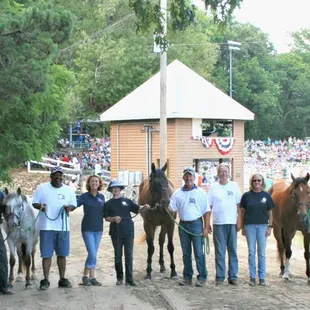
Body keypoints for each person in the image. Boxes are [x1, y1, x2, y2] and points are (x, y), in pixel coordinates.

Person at [32, 166, 77, 290]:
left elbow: (74, 205)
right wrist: (40, 206)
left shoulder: (68, 190)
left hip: (63, 227)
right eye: (55, 175)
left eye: (60, 175)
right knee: (46, 255)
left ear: (63, 177)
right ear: (51, 176)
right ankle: (45, 279)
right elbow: (34, 202)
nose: (58, 177)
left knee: (62, 254)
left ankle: (62, 279)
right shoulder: (42, 188)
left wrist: (69, 208)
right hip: (46, 226)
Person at [169, 167, 211, 287]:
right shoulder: (177, 193)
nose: (188, 178)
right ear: (183, 177)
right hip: (183, 225)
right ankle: (187, 276)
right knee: (186, 253)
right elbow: (172, 208)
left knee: (198, 252)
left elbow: (207, 211)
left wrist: (206, 227)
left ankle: (202, 276)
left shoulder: (201, 193)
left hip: (196, 224)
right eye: (186, 176)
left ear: (194, 178)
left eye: (190, 176)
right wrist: (165, 205)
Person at [104, 180, 149, 287]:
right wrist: (114, 219)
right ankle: (119, 277)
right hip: (116, 232)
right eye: (113, 188)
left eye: (117, 187)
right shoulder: (108, 204)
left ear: (120, 189)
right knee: (118, 255)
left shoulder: (127, 201)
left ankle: (129, 278)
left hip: (128, 231)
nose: (115, 190)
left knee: (129, 255)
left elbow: (138, 209)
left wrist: (145, 207)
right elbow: (106, 218)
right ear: (111, 190)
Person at [208, 163, 242, 286]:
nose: (223, 173)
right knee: (220, 251)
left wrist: (239, 221)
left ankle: (233, 276)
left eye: (225, 171)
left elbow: (239, 206)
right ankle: (220, 276)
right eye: (221, 171)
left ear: (229, 173)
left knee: (232, 250)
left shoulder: (234, 186)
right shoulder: (213, 187)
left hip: (232, 223)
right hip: (219, 223)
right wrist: (207, 223)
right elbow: (209, 206)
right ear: (218, 173)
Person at [240, 173, 274, 286]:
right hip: (250, 226)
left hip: (263, 226)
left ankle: (262, 277)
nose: (257, 182)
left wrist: (270, 226)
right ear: (251, 182)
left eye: (259, 180)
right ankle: (253, 277)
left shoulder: (266, 196)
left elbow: (270, 212)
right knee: (251, 252)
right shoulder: (246, 196)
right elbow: (242, 212)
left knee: (262, 253)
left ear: (262, 182)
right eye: (254, 180)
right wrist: (243, 226)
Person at [77, 175, 105, 286]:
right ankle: (85, 276)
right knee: (92, 253)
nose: (94, 183)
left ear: (99, 183)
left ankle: (91, 277)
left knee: (93, 253)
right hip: (87, 228)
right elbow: (75, 205)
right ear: (89, 183)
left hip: (98, 229)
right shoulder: (84, 196)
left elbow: (105, 212)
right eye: (92, 181)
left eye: (96, 181)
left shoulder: (101, 197)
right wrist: (67, 207)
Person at [0, 190, 13, 295]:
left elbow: (6, 210)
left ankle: (4, 285)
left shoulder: (0, 194)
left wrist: (9, 222)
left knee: (2, 257)